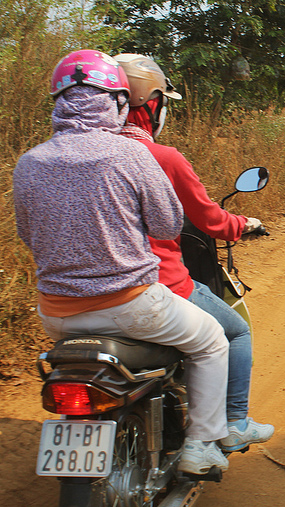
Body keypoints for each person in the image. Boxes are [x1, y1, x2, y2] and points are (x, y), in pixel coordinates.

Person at [14, 49, 231, 475]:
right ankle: (201, 444)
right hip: (132, 306)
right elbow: (168, 225)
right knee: (212, 342)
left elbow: (28, 234)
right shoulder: (130, 154)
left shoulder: (29, 162)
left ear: (59, 103)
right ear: (116, 103)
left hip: (57, 317)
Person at [114, 53, 274, 452]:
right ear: (151, 104)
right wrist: (244, 224)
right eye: (163, 101)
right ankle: (233, 421)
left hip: (68, 301)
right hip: (152, 285)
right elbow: (207, 220)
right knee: (234, 332)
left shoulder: (63, 157)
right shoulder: (161, 158)